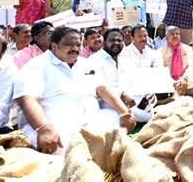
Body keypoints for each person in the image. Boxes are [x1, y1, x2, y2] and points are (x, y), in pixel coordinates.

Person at [14, 27, 135, 155]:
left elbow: (103, 89)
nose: (75, 48)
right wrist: (45, 129)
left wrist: (124, 112)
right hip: (57, 126)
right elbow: (29, 101)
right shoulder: (37, 66)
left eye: (78, 44)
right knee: (67, 148)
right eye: (69, 44)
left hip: (92, 121)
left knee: (119, 119)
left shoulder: (85, 64)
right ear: (54, 46)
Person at [88, 29, 155, 123]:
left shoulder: (125, 59)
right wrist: (122, 94)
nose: (116, 43)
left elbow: (135, 81)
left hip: (133, 102)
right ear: (104, 42)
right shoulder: (94, 60)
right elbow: (99, 88)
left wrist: (147, 92)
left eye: (119, 40)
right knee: (150, 118)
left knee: (157, 112)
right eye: (112, 40)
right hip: (110, 106)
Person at [160, 26, 193, 95]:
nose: (175, 36)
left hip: (184, 78)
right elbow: (161, 69)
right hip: (168, 80)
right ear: (166, 37)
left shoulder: (187, 49)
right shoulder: (161, 51)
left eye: (177, 34)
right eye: (172, 34)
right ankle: (178, 93)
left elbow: (191, 66)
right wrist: (174, 82)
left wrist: (184, 78)